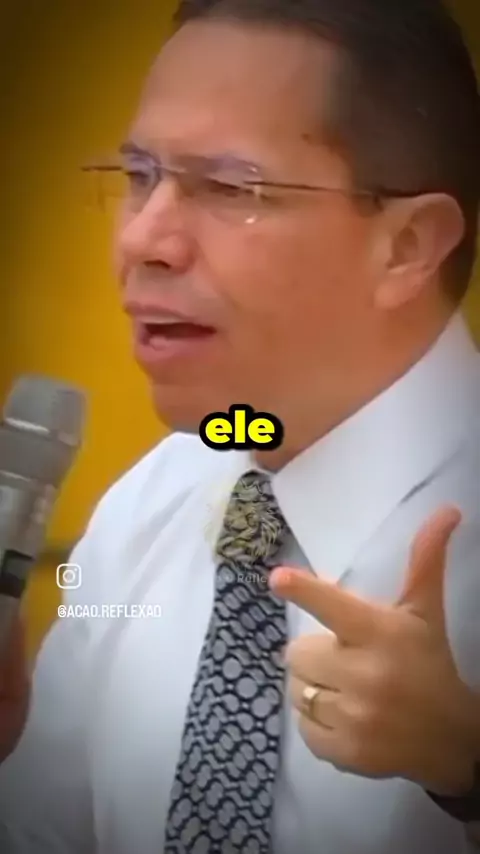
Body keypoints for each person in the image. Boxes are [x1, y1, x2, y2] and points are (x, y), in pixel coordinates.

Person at [0, 0, 479, 851]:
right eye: (138, 175)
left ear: (408, 245)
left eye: (230, 188)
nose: (144, 241)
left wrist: (468, 774)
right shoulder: (152, 500)